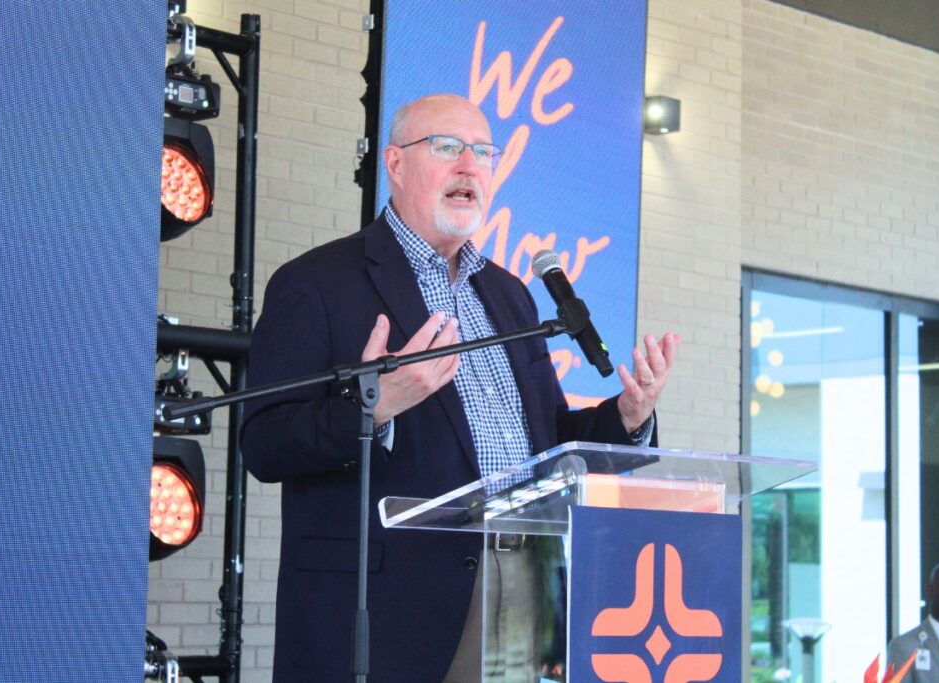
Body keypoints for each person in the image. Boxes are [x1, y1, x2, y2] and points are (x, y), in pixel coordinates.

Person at [240, 93, 679, 682]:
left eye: (484, 152)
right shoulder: (317, 283)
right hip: (388, 610)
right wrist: (376, 408)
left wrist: (627, 416)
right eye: (447, 147)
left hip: (519, 594)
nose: (469, 166)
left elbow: (547, 438)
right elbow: (265, 443)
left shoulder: (509, 295)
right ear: (395, 165)